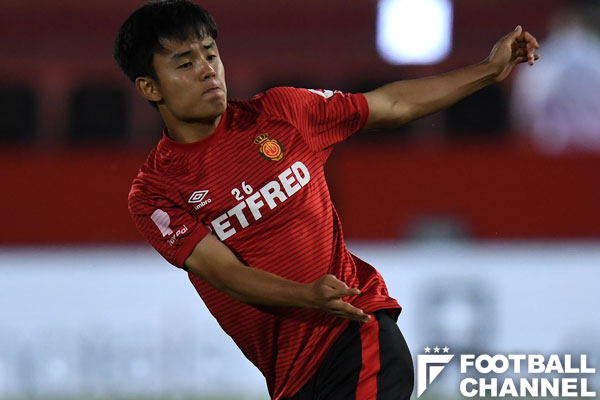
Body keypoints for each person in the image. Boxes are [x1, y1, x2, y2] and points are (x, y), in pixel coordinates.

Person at [113, 1, 539, 399]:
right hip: (292, 381)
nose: (208, 71)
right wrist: (305, 294)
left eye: (211, 54)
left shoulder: (282, 112)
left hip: (356, 335)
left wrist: (488, 71)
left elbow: (391, 104)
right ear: (150, 87)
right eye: (186, 63)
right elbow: (226, 274)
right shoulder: (156, 192)